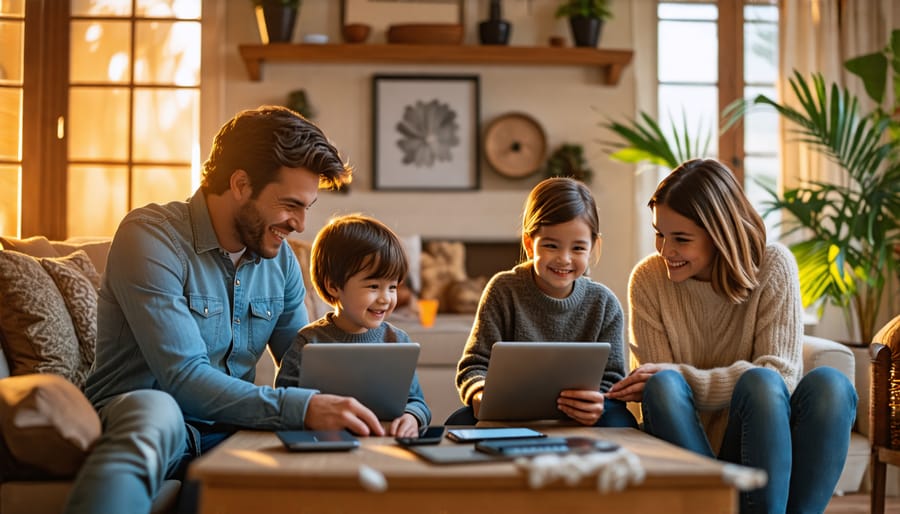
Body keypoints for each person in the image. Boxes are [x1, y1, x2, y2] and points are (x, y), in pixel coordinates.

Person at [63, 106, 384, 514]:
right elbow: (182, 377)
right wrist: (300, 408)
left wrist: (389, 405)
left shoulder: (280, 261)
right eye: (290, 205)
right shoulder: (150, 237)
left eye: (307, 207)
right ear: (240, 183)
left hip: (234, 430)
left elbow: (304, 363)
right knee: (155, 408)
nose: (301, 224)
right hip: (153, 418)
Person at [606, 159, 857, 513]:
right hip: (689, 444)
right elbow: (656, 388)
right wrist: (673, 379)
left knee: (827, 385)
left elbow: (780, 378)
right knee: (663, 384)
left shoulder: (773, 265)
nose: (665, 250)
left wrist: (685, 377)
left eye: (681, 239)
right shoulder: (648, 279)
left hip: (761, 442)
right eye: (659, 233)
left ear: (719, 234)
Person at [453, 177, 637, 428]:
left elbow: (612, 380)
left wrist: (599, 403)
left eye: (578, 248)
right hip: (510, 412)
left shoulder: (604, 304)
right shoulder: (503, 290)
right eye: (551, 245)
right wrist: (481, 395)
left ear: (594, 246)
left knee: (621, 420)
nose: (564, 259)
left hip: (580, 417)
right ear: (529, 244)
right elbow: (474, 365)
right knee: (458, 421)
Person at [274, 214, 432, 437]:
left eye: (393, 287)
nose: (386, 298)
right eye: (374, 286)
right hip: (324, 445)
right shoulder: (308, 342)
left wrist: (413, 417)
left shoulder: (397, 342)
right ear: (333, 286)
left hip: (383, 442)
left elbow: (417, 402)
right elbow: (284, 403)